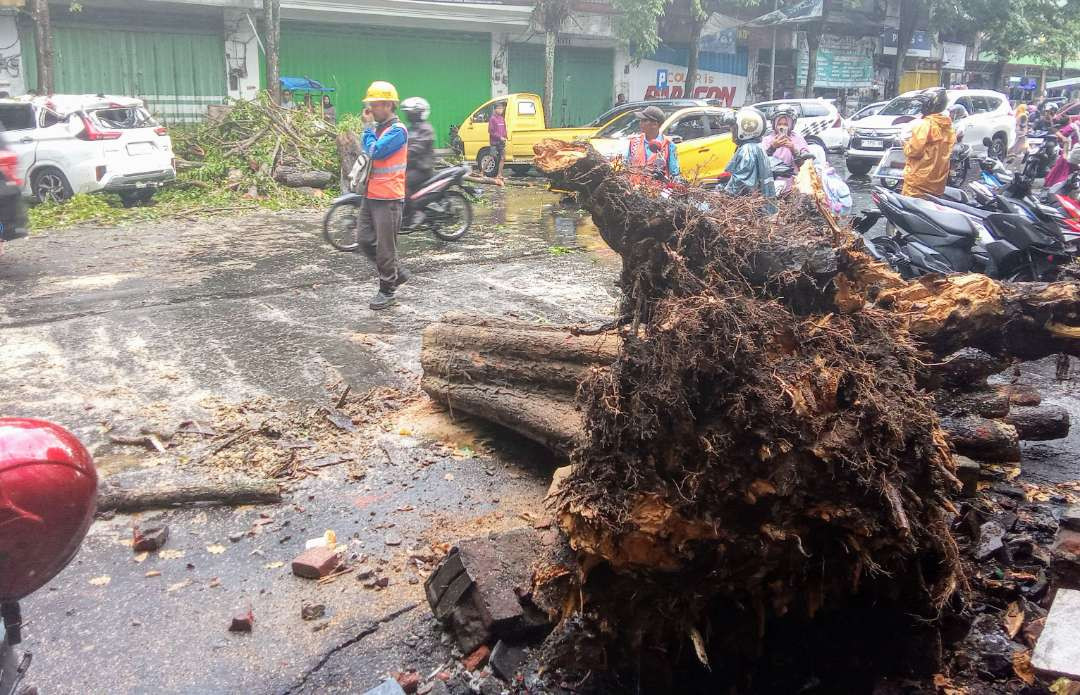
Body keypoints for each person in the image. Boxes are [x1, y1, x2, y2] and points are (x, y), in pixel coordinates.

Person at [359, 80, 409, 310]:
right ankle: (396, 272)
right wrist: (369, 131)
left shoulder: (398, 131)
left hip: (388, 197)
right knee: (364, 240)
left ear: (388, 105)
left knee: (385, 248)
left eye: (375, 105)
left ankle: (387, 290)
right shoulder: (378, 129)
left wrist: (367, 130)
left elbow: (375, 151)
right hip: (371, 194)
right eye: (370, 105)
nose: (370, 109)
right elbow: (367, 151)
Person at [900, 87, 954, 198]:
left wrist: (904, 144)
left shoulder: (923, 125)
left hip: (918, 182)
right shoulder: (947, 126)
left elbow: (914, 151)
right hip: (938, 183)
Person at [722, 107, 774, 198]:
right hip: (759, 204)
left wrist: (724, 194)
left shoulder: (748, 150)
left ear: (745, 129)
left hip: (751, 206)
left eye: (734, 129)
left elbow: (741, 181)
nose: (732, 132)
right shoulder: (754, 146)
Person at [622, 105, 680, 183]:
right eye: (640, 120)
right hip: (634, 191)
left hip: (657, 192)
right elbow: (625, 167)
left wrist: (663, 179)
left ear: (655, 124)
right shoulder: (633, 143)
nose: (640, 123)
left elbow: (675, 176)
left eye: (644, 120)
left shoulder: (669, 146)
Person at [401, 96, 435, 227]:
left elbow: (417, 149)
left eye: (410, 113)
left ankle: (416, 212)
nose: (408, 115)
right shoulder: (410, 128)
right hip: (410, 166)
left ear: (418, 113)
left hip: (422, 169)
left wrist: (404, 155)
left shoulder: (426, 129)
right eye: (407, 113)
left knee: (402, 182)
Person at [762, 104, 809, 169]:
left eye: (786, 124)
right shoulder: (767, 140)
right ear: (774, 124)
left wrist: (794, 150)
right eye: (779, 124)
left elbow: (806, 165)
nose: (782, 127)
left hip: (793, 177)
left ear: (792, 125)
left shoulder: (798, 139)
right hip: (772, 177)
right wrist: (772, 148)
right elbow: (760, 162)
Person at [1044, 115, 1080, 187]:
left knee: (1062, 168)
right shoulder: (1073, 126)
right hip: (1073, 152)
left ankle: (1055, 184)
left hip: (1069, 151)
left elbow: (1059, 136)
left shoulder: (1068, 128)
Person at [488, 101, 507, 180]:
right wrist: (500, 137)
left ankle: (499, 175)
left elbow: (504, 129)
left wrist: (506, 136)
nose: (501, 110)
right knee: (492, 157)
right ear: (495, 109)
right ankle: (482, 172)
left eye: (502, 108)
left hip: (501, 142)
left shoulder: (502, 118)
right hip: (494, 143)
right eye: (499, 108)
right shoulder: (492, 119)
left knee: (503, 158)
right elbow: (491, 131)